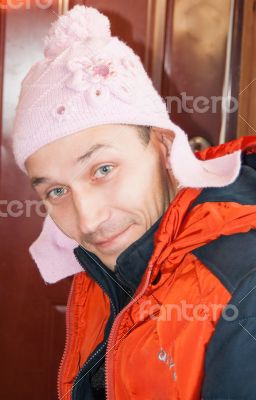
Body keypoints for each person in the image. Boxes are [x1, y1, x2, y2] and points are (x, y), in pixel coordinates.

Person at [12, 5, 256, 400]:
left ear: (163, 145)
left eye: (103, 169)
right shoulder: (108, 267)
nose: (88, 221)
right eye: (56, 191)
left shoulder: (245, 292)